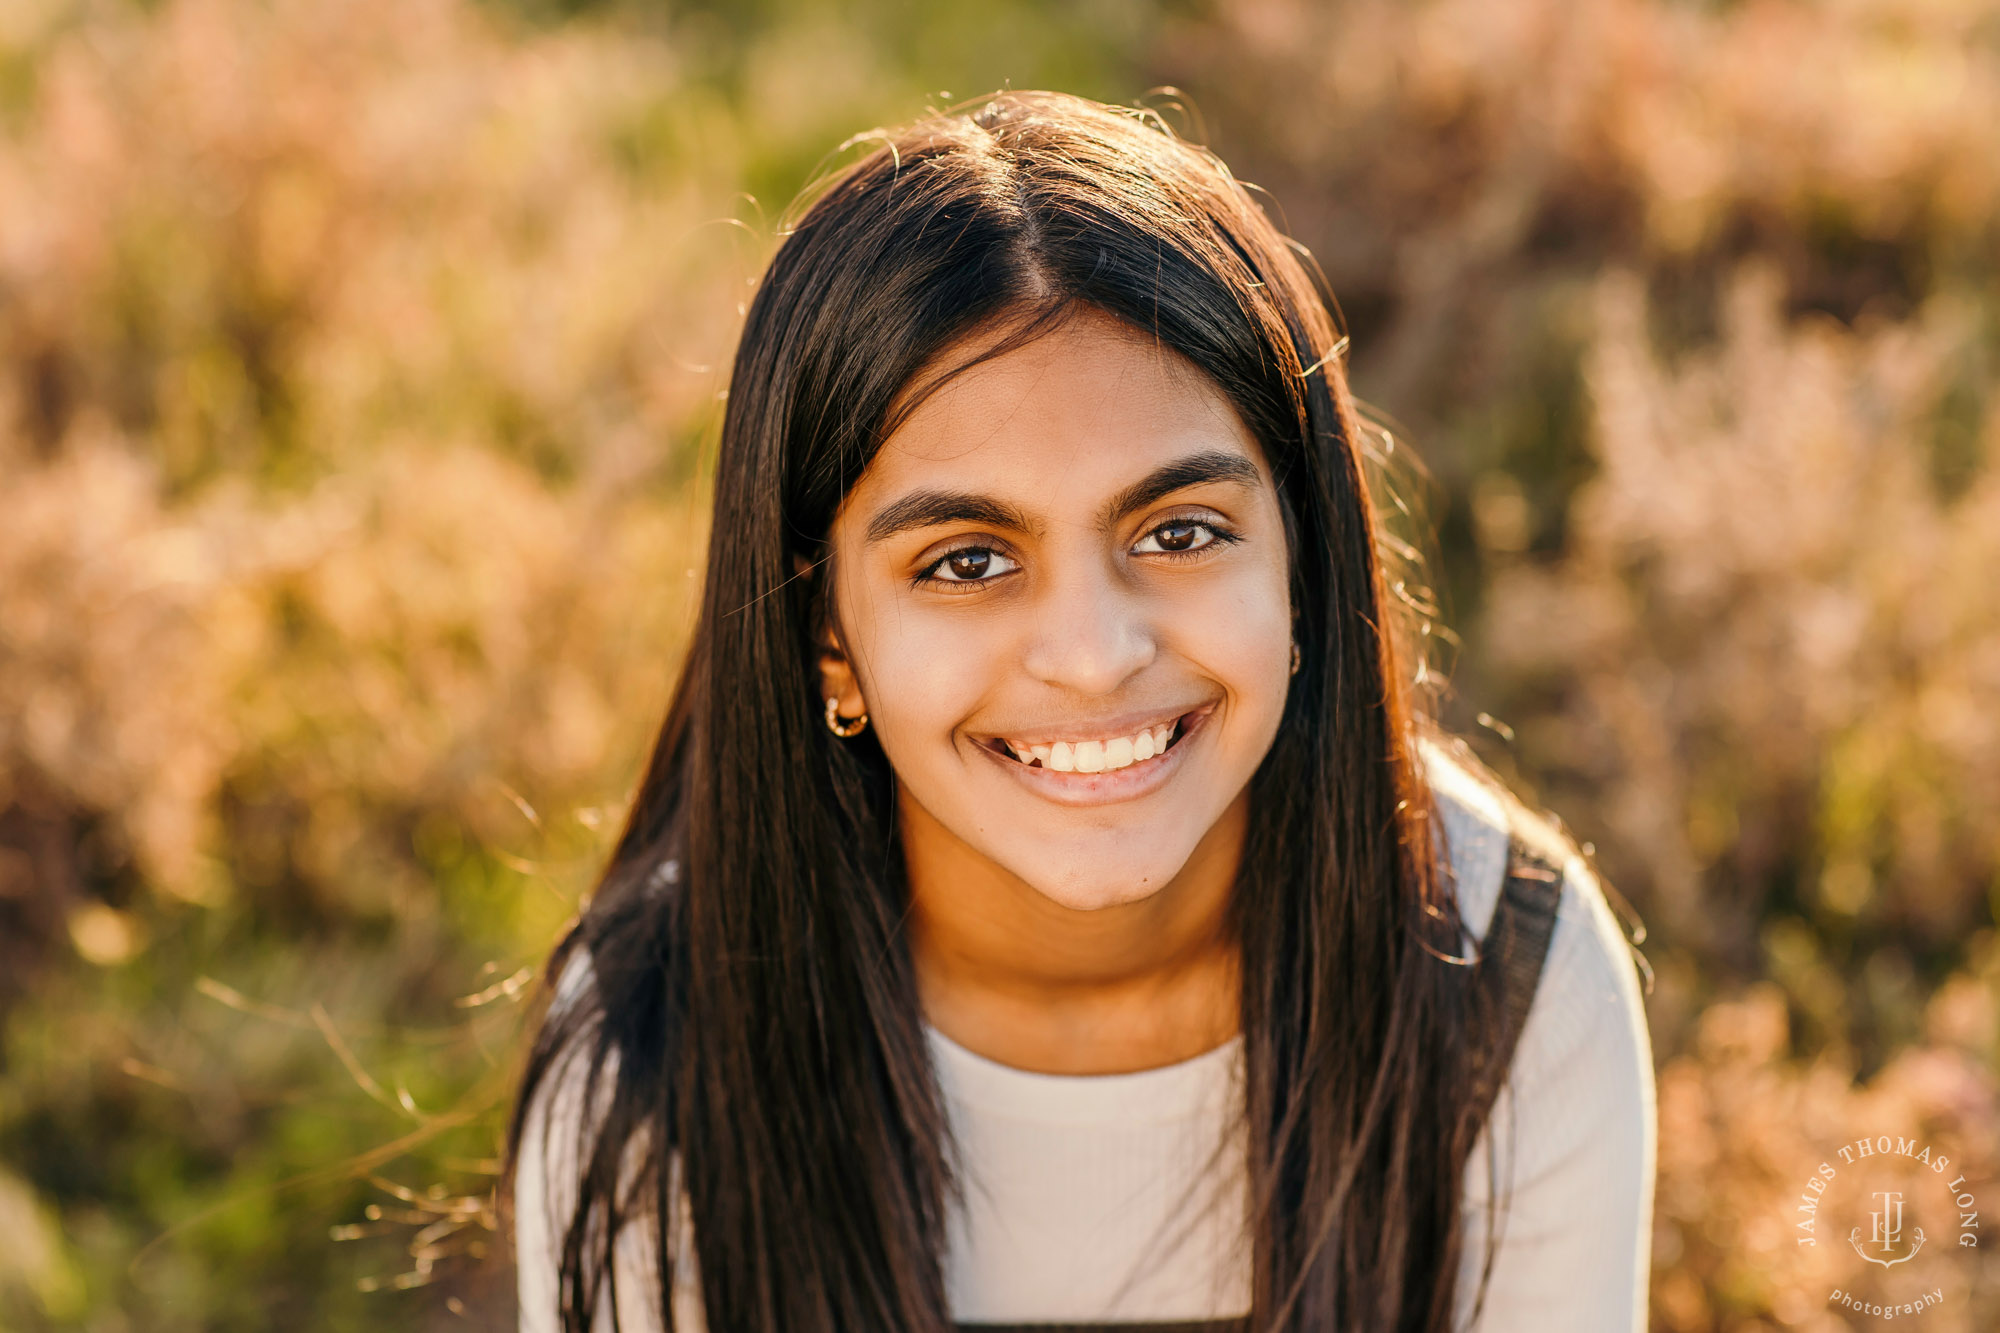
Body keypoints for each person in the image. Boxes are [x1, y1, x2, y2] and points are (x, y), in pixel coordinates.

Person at [506, 89, 1656, 1333]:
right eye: (964, 559)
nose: (1094, 657)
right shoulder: (652, 1050)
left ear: (1300, 570)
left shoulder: (1496, 971)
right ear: (827, 639)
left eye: (1177, 531)